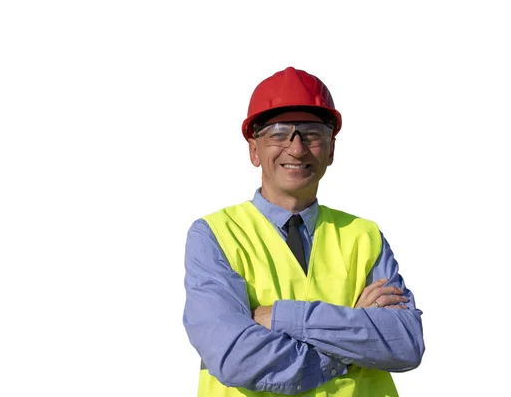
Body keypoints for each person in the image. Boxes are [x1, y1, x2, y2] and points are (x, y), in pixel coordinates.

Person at [182, 66, 425, 396]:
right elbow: (235, 358)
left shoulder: (364, 235)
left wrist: (284, 318)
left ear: (331, 149)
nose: (296, 148)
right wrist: (353, 342)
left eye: (312, 134)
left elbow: (406, 344)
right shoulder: (214, 235)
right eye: (279, 133)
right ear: (254, 150)